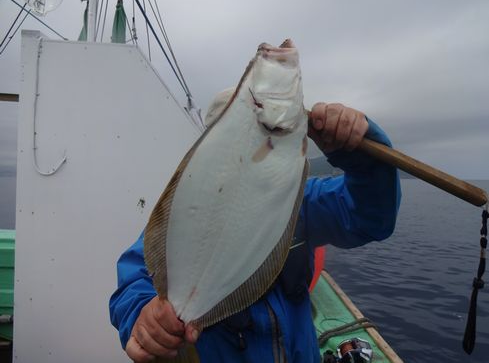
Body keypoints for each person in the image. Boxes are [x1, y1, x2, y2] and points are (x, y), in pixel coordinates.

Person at [109, 96, 401, 363]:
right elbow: (137, 274)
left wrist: (360, 155)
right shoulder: (189, 213)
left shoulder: (300, 202)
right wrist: (142, 314)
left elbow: (369, 217)